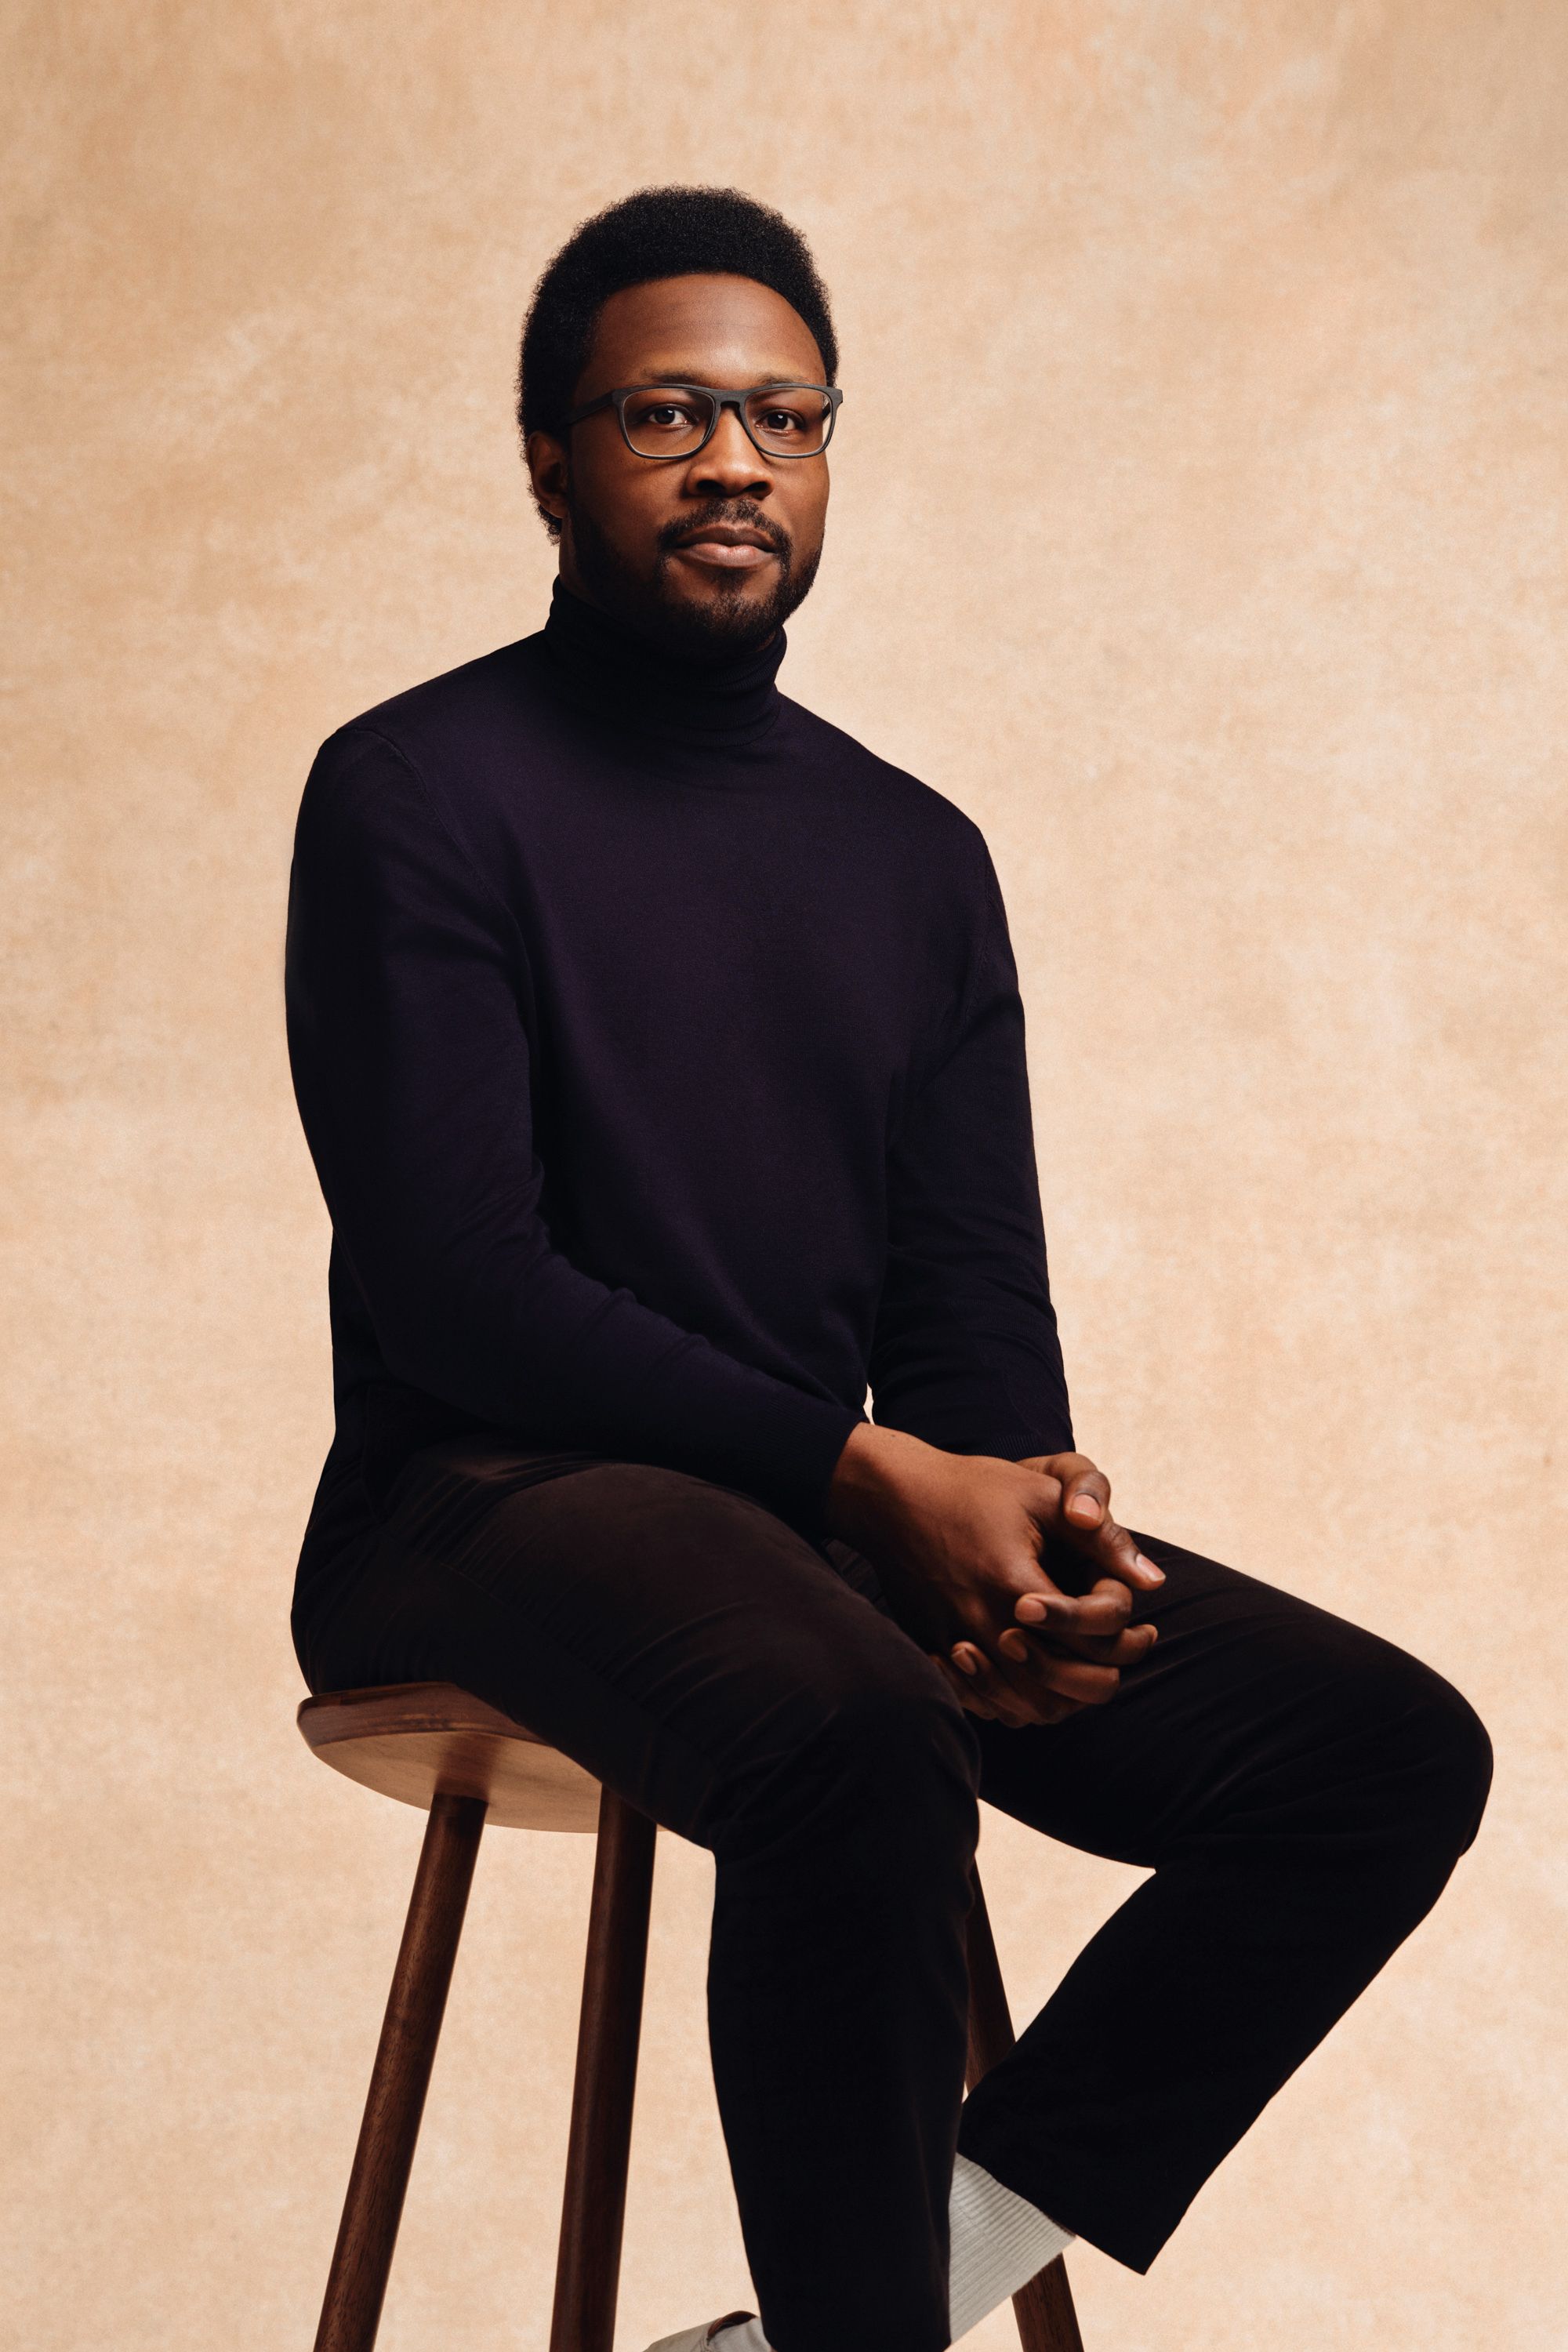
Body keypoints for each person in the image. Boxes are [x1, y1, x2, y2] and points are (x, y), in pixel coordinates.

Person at [284, 186, 1491, 2352]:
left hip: (818, 1540)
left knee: (1380, 1757)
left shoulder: (914, 858)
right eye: (667, 408)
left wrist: (1020, 1538)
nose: (734, 457)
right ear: (549, 459)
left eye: (783, 413)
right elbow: (465, 1283)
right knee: (850, 1733)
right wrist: (864, 1484)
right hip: (474, 1511)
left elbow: (967, 1310)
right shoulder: (416, 791)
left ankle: (878, 2309)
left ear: (829, 453)